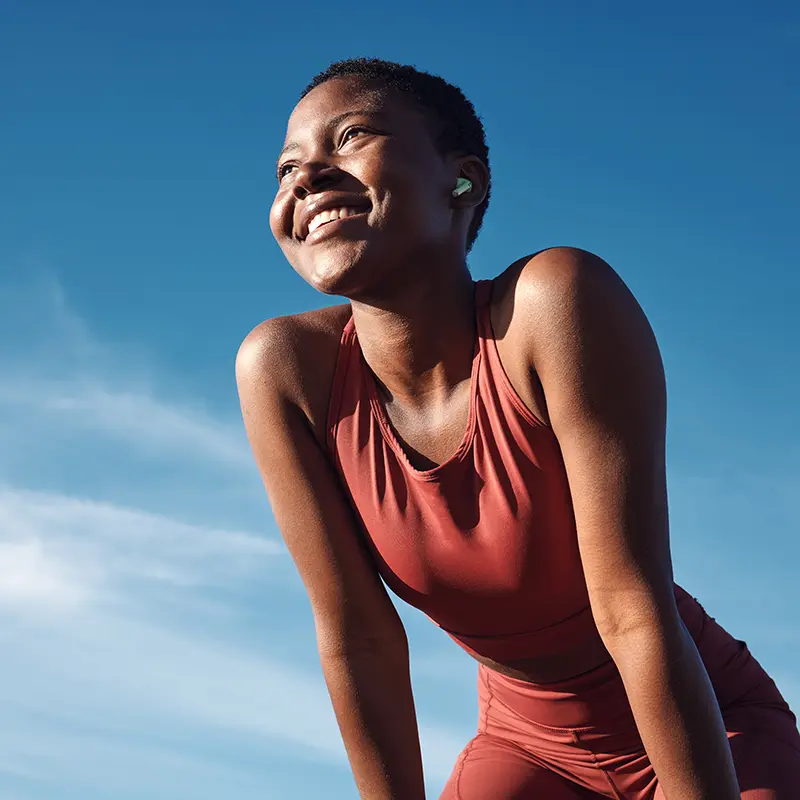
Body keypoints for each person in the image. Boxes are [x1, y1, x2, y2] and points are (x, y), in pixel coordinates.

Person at [236, 58, 800, 799]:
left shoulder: (552, 305)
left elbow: (632, 608)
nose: (306, 177)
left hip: (709, 732)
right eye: (286, 168)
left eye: (350, 136)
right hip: (527, 749)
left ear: (461, 180)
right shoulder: (285, 370)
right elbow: (358, 640)